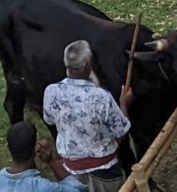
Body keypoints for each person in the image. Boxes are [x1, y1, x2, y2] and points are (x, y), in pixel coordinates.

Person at [41, 40, 133, 189]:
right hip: (105, 172)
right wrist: (124, 103)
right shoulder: (101, 97)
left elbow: (50, 120)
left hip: (70, 171)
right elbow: (121, 132)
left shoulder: (51, 92)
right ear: (88, 66)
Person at [0, 121, 86, 192]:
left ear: (8, 148)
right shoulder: (42, 187)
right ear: (35, 149)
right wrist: (51, 160)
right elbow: (77, 188)